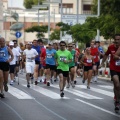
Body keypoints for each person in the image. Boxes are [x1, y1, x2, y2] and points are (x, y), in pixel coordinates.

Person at [100, 34, 120, 112]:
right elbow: (106, 55)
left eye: (118, 39)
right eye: (116, 39)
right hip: (113, 68)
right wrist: (102, 64)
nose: (117, 41)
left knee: (117, 87)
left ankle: (117, 96)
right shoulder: (111, 47)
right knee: (117, 84)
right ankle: (117, 102)